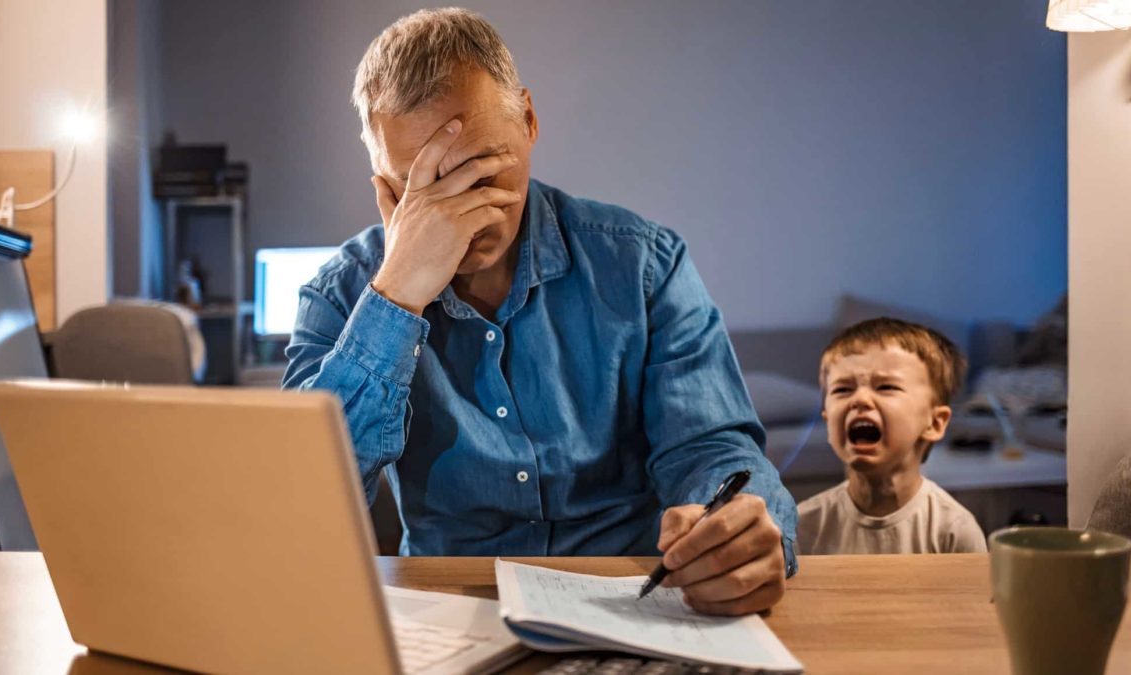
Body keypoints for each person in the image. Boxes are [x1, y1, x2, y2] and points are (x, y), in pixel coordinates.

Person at [281, 8, 798, 615]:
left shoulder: (644, 264)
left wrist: (732, 530)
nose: (466, 212)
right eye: (427, 189)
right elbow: (301, 502)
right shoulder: (341, 294)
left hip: (634, 598)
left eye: (481, 169)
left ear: (527, 119)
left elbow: (710, 449)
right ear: (384, 184)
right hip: (447, 607)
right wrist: (396, 296)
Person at [798, 318, 986, 554]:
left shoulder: (954, 531)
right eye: (842, 389)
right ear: (828, 423)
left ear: (935, 423)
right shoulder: (802, 527)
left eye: (886, 387)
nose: (860, 399)